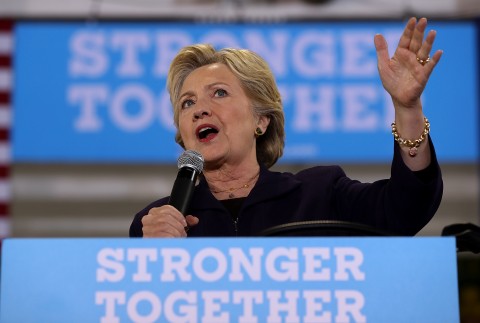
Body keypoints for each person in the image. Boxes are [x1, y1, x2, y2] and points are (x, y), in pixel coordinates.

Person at [129, 17, 443, 238]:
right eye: (187, 103)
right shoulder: (155, 223)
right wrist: (152, 258)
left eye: (219, 93)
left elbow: (406, 209)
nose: (199, 110)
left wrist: (407, 108)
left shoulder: (321, 194)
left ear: (261, 120)